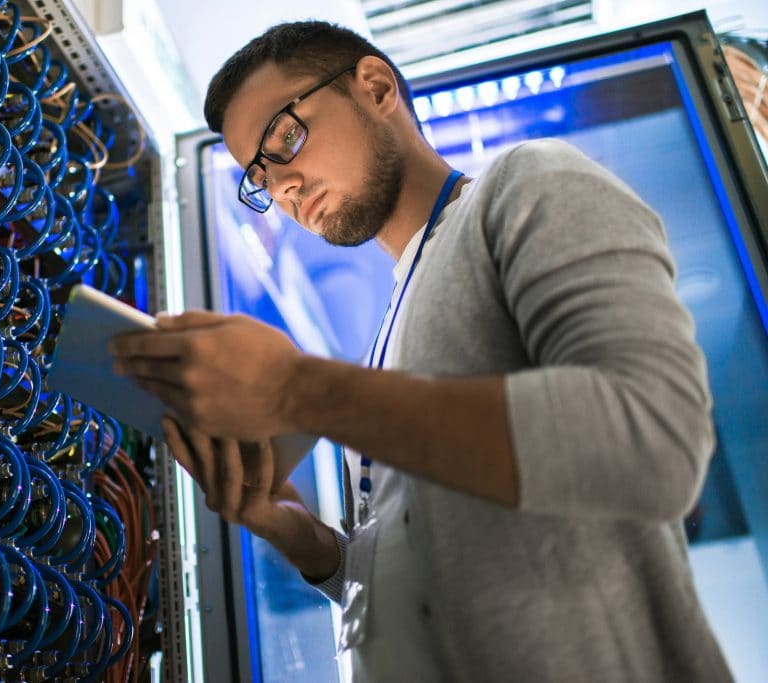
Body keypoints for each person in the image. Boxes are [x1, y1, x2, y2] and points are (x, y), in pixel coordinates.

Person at [110, 20, 733, 682]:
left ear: (376, 87)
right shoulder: (385, 338)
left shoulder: (528, 184)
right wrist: (299, 533)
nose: (283, 187)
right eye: (259, 177)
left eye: (284, 137)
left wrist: (298, 389)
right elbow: (415, 581)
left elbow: (653, 438)